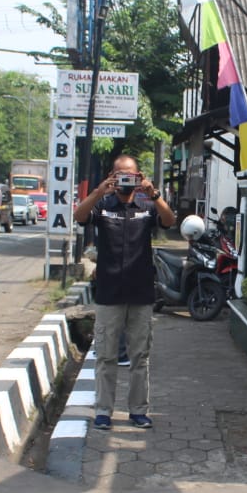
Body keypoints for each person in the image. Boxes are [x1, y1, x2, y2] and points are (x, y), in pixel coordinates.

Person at [74, 154, 175, 430]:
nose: (125, 180)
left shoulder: (147, 206)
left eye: (130, 175)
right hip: (109, 294)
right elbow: (80, 216)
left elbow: (169, 220)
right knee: (106, 356)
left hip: (141, 293)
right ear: (112, 176)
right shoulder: (103, 206)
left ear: (139, 177)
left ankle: (138, 411)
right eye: (120, 174)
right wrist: (98, 192)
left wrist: (154, 194)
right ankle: (103, 411)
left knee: (139, 358)